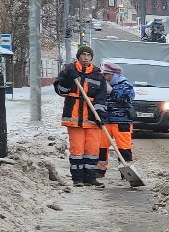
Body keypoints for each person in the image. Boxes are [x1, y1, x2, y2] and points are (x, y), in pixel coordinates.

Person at [53, 44, 109, 186]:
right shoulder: (68, 71)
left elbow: (101, 97)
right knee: (77, 149)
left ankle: (90, 178)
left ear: (92, 58)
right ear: (78, 56)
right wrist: (67, 78)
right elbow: (62, 91)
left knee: (92, 150)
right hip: (74, 119)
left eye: (89, 55)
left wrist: (100, 115)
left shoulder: (98, 75)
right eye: (83, 55)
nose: (86, 58)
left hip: (92, 119)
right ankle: (77, 179)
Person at [98, 60, 137, 181]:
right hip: (106, 121)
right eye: (104, 75)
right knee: (101, 146)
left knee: (124, 148)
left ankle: (126, 172)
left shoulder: (125, 85)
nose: (105, 77)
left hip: (122, 121)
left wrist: (112, 92)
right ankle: (100, 170)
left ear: (114, 74)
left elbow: (128, 97)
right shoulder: (103, 85)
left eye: (107, 75)